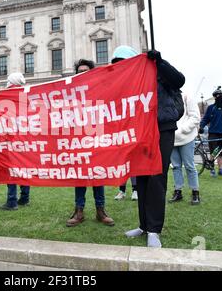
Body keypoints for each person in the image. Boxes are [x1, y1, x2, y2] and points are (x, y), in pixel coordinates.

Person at [122, 47, 185, 248]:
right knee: (141, 178)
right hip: (140, 131)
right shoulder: (128, 80)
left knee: (157, 178)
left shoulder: (158, 70)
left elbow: (179, 80)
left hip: (162, 128)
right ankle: (144, 225)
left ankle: (154, 230)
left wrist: (160, 62)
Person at [66, 59, 115, 227]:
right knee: (80, 177)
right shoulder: (71, 93)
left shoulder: (100, 90)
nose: (83, 73)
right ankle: (79, 211)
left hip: (96, 139)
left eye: (86, 70)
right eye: (79, 71)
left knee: (97, 176)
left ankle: (100, 211)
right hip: (78, 141)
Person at [0, 73, 31, 211]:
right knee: (23, 169)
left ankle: (12, 201)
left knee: (11, 170)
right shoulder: (26, 96)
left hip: (10, 139)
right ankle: (24, 198)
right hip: (25, 139)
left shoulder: (5, 95)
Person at [169, 92, 201, 205]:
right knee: (175, 166)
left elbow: (195, 117)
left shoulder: (187, 96)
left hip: (186, 137)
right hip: (172, 138)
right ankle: (178, 191)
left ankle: (195, 192)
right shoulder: (166, 96)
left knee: (189, 165)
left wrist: (182, 130)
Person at [199, 87, 222, 176]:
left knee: (221, 152)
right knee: (214, 151)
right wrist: (201, 126)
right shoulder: (211, 108)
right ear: (215, 97)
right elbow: (206, 119)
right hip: (213, 133)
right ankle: (212, 169)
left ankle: (220, 169)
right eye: (219, 95)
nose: (221, 97)